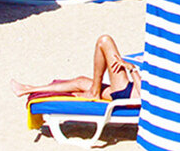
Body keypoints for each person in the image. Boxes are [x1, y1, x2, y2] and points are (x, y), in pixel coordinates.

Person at [10, 35, 142, 102]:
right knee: (80, 81)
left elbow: (144, 94)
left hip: (126, 92)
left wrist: (133, 69)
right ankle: (28, 89)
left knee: (105, 41)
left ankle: (94, 92)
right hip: (126, 90)